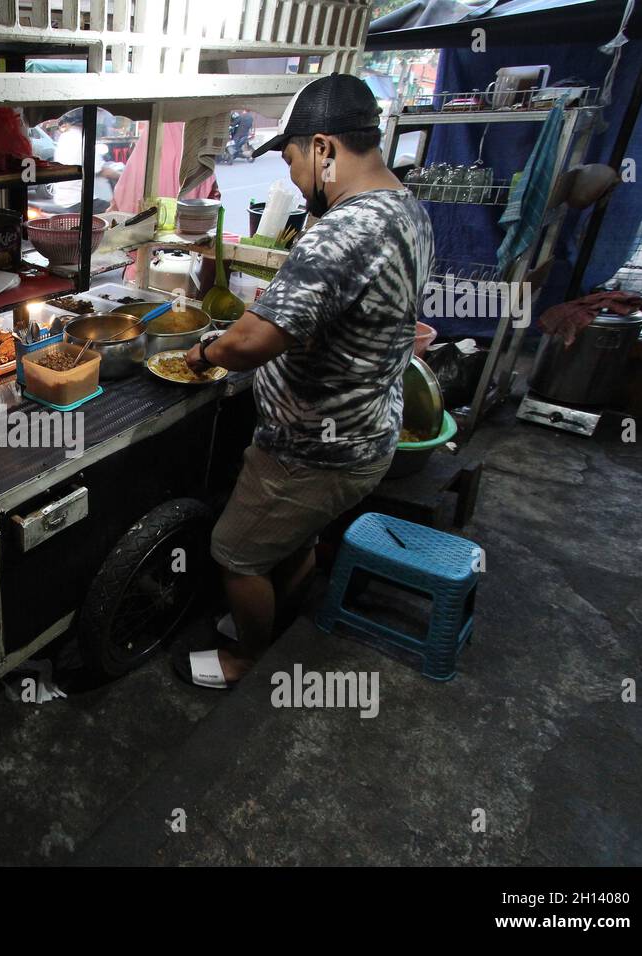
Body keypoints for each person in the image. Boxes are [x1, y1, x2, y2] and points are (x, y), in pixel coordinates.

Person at [173, 74, 434, 689]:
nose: (291, 177)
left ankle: (247, 661)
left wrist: (205, 352)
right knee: (293, 541)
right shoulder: (407, 207)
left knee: (234, 552)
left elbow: (252, 342)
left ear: (323, 149)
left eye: (291, 159)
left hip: (312, 451)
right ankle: (279, 624)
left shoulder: (344, 230)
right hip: (366, 434)